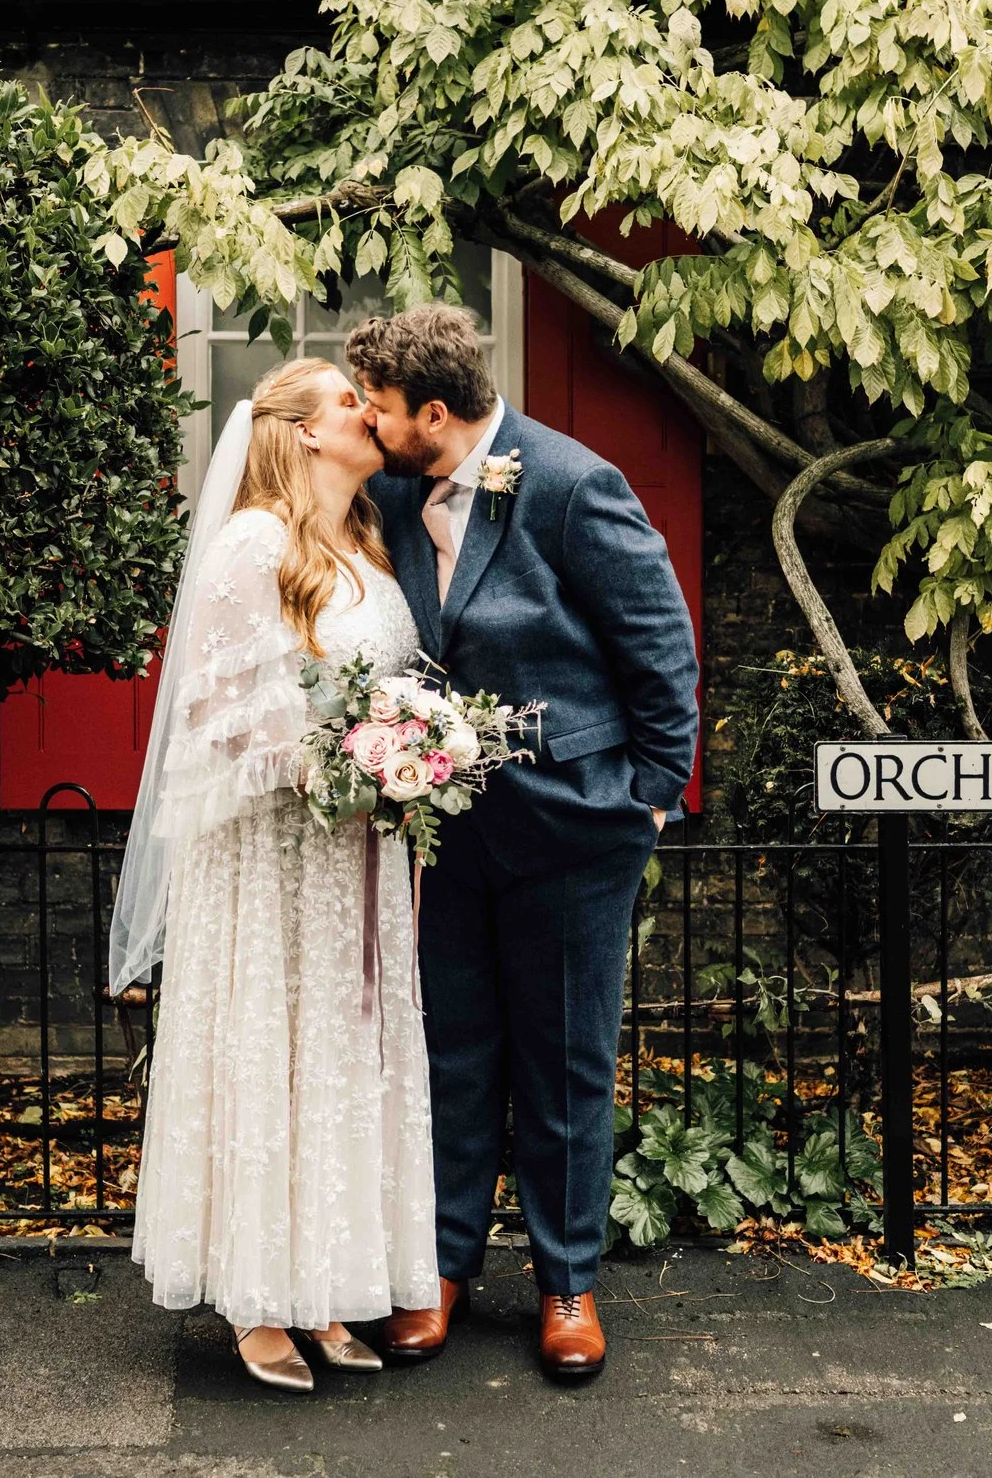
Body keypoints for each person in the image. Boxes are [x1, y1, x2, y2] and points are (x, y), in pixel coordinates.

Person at [348, 305, 700, 1382]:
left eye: (379, 406)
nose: (366, 420)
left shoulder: (569, 482)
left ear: (437, 414)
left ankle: (566, 1283)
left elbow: (660, 647)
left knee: (562, 1061)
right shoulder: (397, 490)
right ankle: (443, 1268)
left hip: (572, 827)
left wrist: (643, 801)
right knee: (451, 1055)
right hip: (446, 829)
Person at [110, 357, 439, 1393]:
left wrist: (421, 748)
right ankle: (257, 1300)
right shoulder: (252, 543)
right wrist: (327, 754)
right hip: (269, 856)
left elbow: (390, 688)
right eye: (348, 399)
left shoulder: (369, 546)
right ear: (299, 430)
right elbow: (208, 714)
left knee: (344, 1063)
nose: (367, 411)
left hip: (357, 861)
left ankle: (330, 1286)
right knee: (272, 1055)